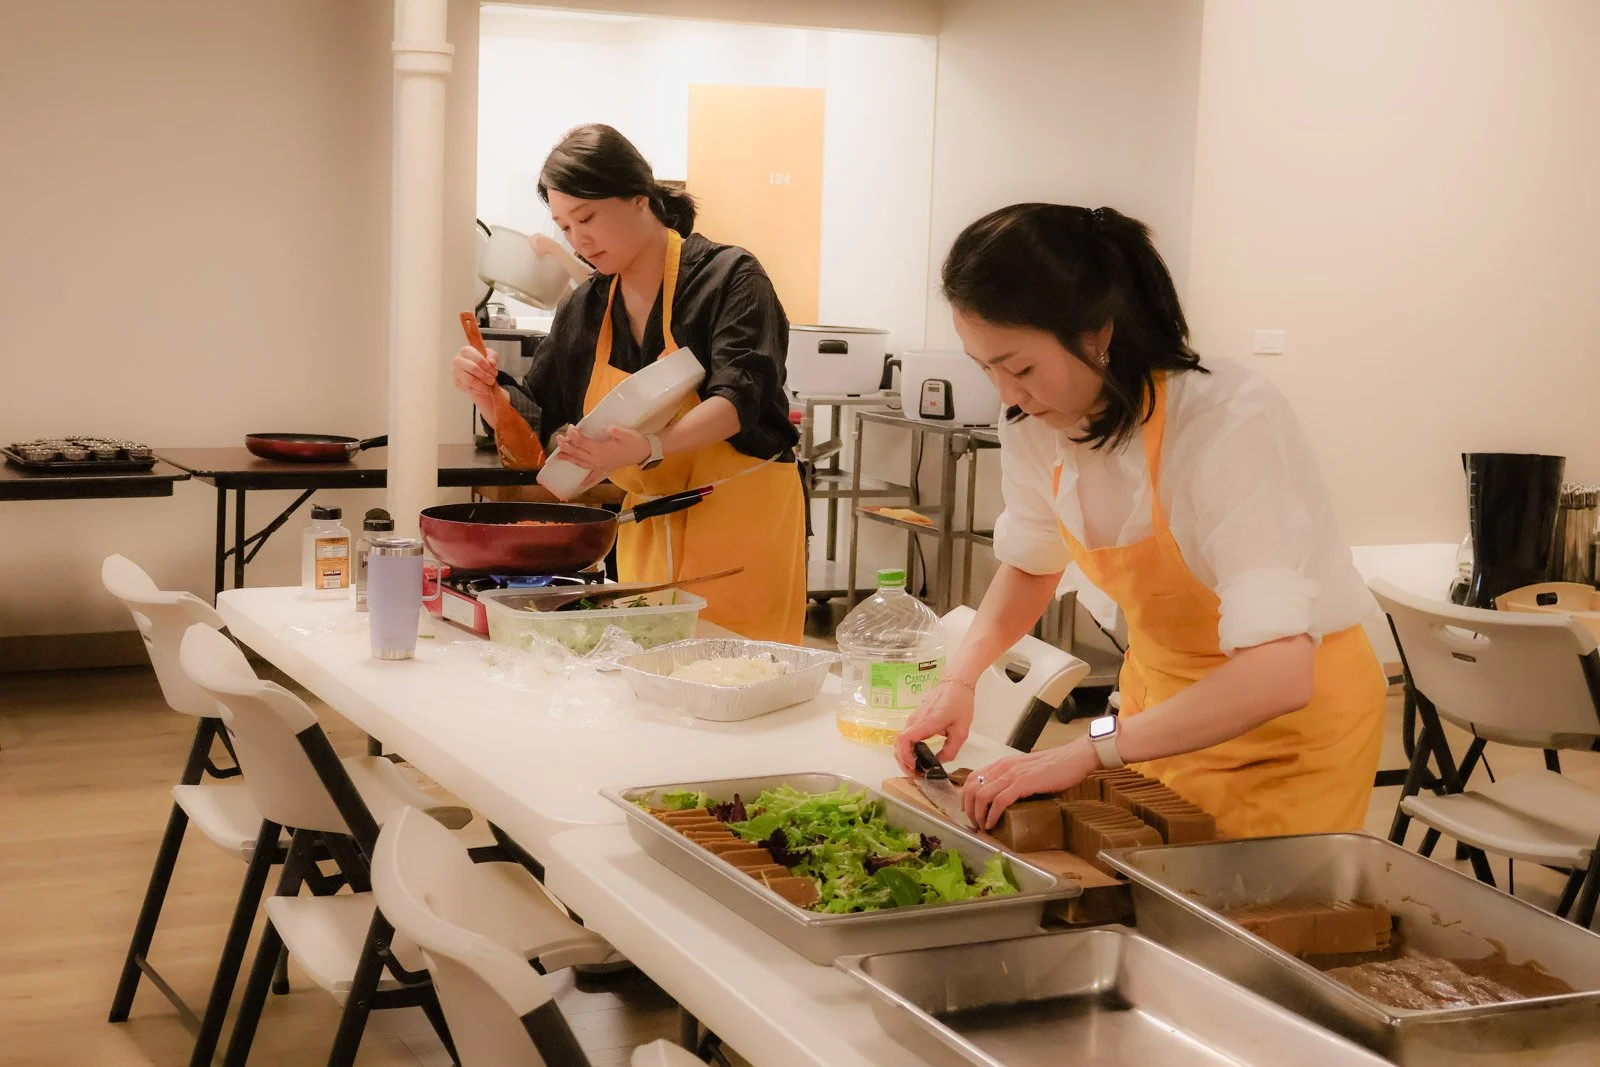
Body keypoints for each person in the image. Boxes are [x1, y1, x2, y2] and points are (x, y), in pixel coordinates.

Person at [894, 203, 1385, 838]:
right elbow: (1032, 564)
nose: (1007, 393)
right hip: (1157, 717)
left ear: (1098, 334)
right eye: (984, 367)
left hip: (1287, 738)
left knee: (1240, 896)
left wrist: (1087, 750)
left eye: (1020, 368)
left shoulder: (1227, 421)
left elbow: (1278, 673)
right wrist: (959, 681)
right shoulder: (1034, 425)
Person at [452, 124, 806, 644]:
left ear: (640, 197)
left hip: (740, 520)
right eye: (564, 226)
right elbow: (541, 422)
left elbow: (740, 396)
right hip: (648, 526)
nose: (578, 240)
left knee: (741, 669)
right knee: (648, 665)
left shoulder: (729, 276)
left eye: (586, 218)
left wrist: (650, 446)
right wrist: (493, 399)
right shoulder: (586, 306)